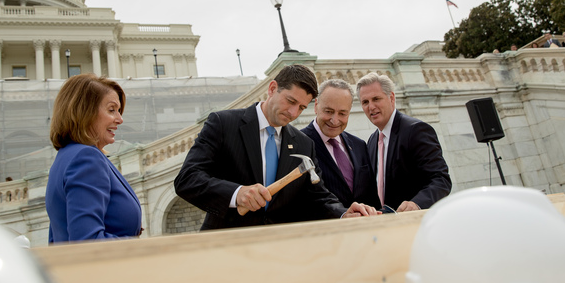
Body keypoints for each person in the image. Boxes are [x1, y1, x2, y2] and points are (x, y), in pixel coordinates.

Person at [174, 64, 378, 230]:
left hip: (279, 248)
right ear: (272, 89)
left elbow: (317, 195)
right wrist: (237, 193)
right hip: (226, 243)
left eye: (301, 107)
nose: (293, 113)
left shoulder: (304, 143)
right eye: (290, 101)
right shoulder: (223, 124)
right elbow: (187, 179)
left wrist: (342, 213)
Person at [45, 73, 142, 243]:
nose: (120, 119)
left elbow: (55, 238)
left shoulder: (65, 158)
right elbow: (87, 241)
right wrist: (142, 246)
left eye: (118, 111)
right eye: (112, 110)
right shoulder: (86, 158)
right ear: (84, 112)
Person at [357, 72, 452, 212]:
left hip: (417, 221)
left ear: (391, 98)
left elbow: (440, 180)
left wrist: (416, 204)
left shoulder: (416, 130)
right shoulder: (372, 141)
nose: (371, 107)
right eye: (365, 102)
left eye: (376, 99)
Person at [301, 79, 381, 209]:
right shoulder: (298, 144)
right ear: (316, 106)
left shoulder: (359, 145)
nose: (335, 120)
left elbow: (371, 195)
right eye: (328, 111)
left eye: (342, 113)